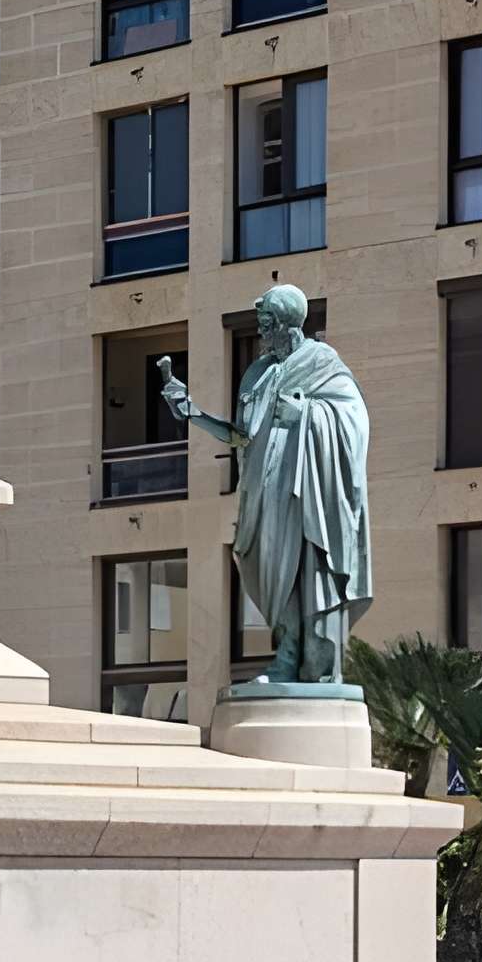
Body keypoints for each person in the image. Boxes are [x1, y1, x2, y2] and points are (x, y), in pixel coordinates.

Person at [158, 286, 373, 685]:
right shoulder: (257, 373)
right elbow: (242, 436)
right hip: (264, 497)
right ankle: (286, 656)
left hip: (310, 498)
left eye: (267, 325)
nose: (261, 334)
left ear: (289, 326)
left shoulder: (322, 362)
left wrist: (308, 412)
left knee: (313, 577)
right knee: (276, 579)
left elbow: (355, 421)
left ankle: (315, 667)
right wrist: (192, 411)